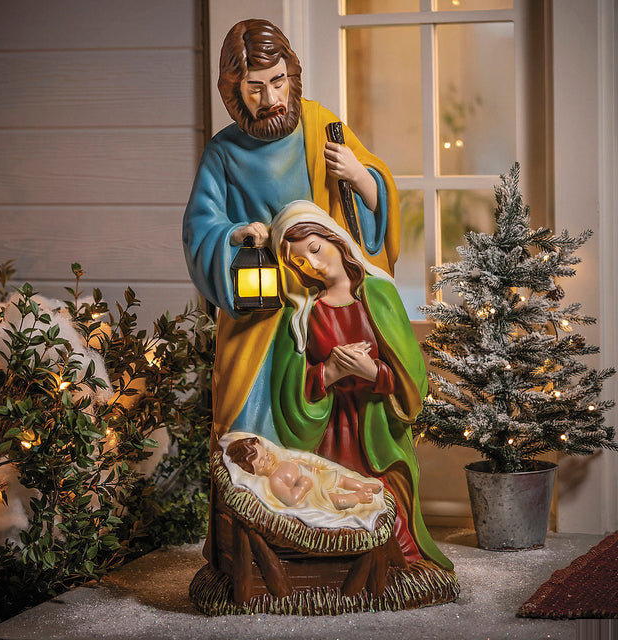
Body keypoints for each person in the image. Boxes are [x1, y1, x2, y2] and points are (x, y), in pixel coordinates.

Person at [181, 19, 402, 451]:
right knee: (249, 438)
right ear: (234, 91)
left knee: (341, 433)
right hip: (262, 312)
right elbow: (199, 229)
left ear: (292, 76)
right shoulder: (222, 153)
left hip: (327, 306)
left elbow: (374, 208)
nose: (271, 99)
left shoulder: (321, 125)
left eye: (278, 81)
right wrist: (235, 235)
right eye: (255, 88)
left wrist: (359, 176)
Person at [268, 200, 453, 571]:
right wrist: (329, 373)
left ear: (335, 239)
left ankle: (399, 568)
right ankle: (343, 571)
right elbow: (289, 387)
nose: (313, 265)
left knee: (385, 507)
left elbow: (412, 375)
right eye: (300, 262)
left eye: (315, 249)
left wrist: (374, 372)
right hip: (330, 430)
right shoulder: (302, 313)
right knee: (332, 504)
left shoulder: (379, 293)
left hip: (376, 424)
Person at [225, 435, 382, 510]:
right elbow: (291, 499)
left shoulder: (281, 463)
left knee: (341, 479)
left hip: (319, 478)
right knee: (337, 500)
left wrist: (308, 467)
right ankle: (358, 497)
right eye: (262, 462)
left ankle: (363, 486)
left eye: (266, 454)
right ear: (254, 472)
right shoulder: (275, 482)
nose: (268, 459)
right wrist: (302, 487)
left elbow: (297, 464)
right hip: (314, 494)